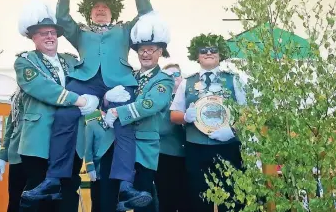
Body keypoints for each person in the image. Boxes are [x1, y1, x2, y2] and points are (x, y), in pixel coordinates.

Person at [22, 0, 156, 210]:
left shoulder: (124, 29)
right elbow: (62, 18)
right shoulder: (80, 31)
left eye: (105, 7)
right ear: (89, 12)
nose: (101, 10)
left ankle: (126, 185)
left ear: (113, 11)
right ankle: (53, 178)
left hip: (119, 81)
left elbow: (147, 16)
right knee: (64, 115)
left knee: (124, 124)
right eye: (96, 8)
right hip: (85, 79)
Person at [14, 0, 99, 211]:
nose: (50, 37)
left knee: (69, 190)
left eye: (52, 32)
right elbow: (42, 88)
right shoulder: (25, 62)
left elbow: (90, 79)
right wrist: (78, 100)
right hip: (39, 137)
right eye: (43, 33)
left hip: (72, 136)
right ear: (32, 37)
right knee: (37, 193)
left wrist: (98, 96)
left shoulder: (71, 61)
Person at [97, 12, 174, 212]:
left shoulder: (164, 80)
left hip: (143, 145)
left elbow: (150, 104)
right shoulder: (128, 76)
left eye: (150, 49)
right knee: (111, 199)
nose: (145, 54)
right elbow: (109, 104)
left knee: (143, 198)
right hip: (118, 144)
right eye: (141, 50)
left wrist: (118, 112)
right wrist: (106, 99)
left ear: (160, 53)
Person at [170, 33, 246, 212]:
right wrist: (185, 117)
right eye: (204, 50)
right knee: (198, 199)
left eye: (214, 50)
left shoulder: (233, 79)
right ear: (196, 55)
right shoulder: (186, 83)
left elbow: (247, 113)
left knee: (232, 197)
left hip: (227, 146)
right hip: (196, 148)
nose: (209, 53)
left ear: (221, 55)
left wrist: (233, 130)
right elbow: (174, 115)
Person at [154, 63, 188, 212]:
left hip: (189, 155)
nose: (173, 79)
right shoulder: (161, 100)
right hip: (166, 155)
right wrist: (181, 118)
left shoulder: (189, 98)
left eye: (176, 75)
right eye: (168, 76)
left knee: (187, 199)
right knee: (167, 199)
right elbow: (161, 128)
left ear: (181, 77)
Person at [0, 90, 25, 212]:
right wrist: (2, 156)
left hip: (41, 155)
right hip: (17, 155)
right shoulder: (17, 96)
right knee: (15, 201)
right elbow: (10, 127)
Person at [84, 109, 106, 212]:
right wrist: (90, 167)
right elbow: (88, 149)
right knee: (98, 204)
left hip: (115, 172)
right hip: (98, 171)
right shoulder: (92, 124)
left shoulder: (119, 124)